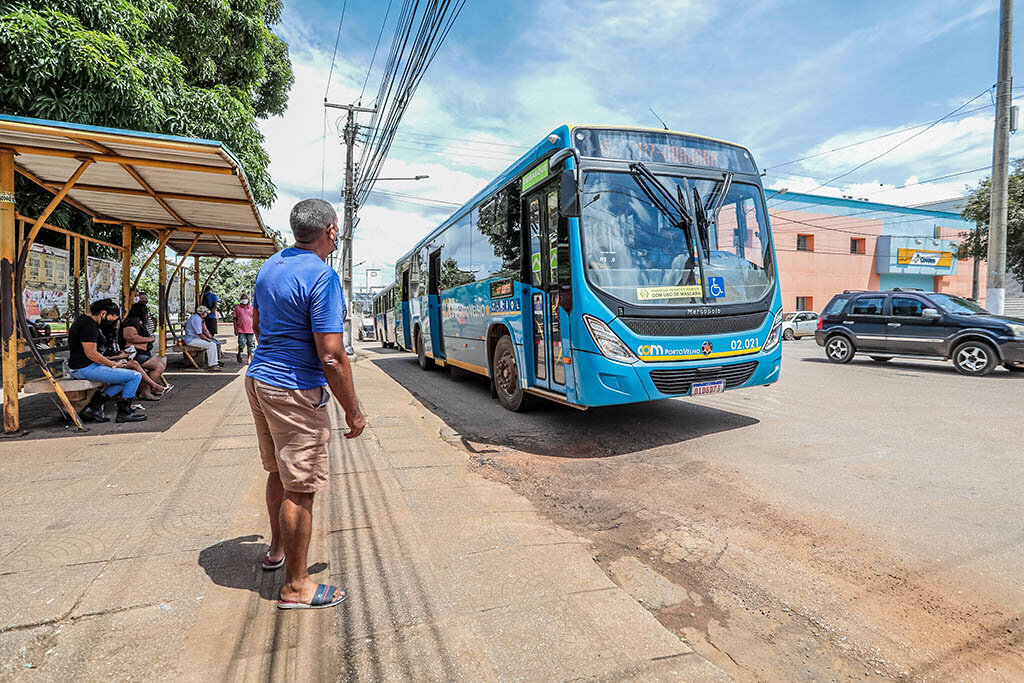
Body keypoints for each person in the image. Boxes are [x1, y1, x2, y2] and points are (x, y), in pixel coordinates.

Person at [245, 198, 365, 610]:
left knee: (279, 470)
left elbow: (259, 326)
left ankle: (277, 550)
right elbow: (331, 356)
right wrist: (353, 408)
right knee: (302, 487)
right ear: (331, 230)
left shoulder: (271, 267)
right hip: (294, 390)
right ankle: (297, 588)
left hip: (259, 379)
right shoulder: (323, 277)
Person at [67, 299, 147, 423]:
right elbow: (91, 353)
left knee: (122, 381)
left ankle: (94, 408)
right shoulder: (89, 326)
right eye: (111, 319)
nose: (111, 323)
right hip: (85, 367)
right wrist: (113, 364)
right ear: (103, 313)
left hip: (84, 366)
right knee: (135, 376)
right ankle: (124, 413)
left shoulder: (84, 321)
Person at [119, 301, 170, 396]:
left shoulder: (138, 321)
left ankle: (148, 389)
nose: (147, 314)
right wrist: (149, 339)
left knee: (162, 360)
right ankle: (146, 391)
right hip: (135, 354)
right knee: (158, 366)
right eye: (146, 312)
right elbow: (130, 337)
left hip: (142, 352)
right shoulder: (131, 322)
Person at [184, 306, 222, 371]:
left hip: (193, 338)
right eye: (205, 312)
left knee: (212, 344)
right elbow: (200, 334)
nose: (206, 314)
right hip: (192, 340)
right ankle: (212, 365)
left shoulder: (196, 317)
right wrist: (208, 340)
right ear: (202, 313)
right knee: (211, 345)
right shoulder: (196, 319)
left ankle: (214, 362)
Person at [233, 294, 256, 364]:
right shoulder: (237, 308)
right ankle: (239, 353)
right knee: (241, 343)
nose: (244, 300)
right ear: (241, 299)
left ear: (248, 299)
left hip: (250, 329)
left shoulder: (251, 308)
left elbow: (255, 318)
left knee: (251, 344)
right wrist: (235, 329)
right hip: (241, 329)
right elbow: (234, 319)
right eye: (243, 298)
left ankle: (249, 358)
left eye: (245, 298)